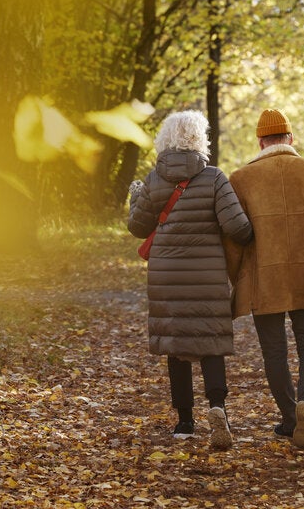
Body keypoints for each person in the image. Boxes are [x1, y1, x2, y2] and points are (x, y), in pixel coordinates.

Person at [226, 108, 304, 450]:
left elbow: (232, 238)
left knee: (274, 351)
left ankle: (289, 417)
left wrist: (238, 276)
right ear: (291, 139)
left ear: (260, 142)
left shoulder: (240, 179)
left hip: (263, 277)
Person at [127, 110, 254, 450]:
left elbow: (138, 227)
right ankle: (218, 407)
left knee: (177, 344)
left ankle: (184, 421)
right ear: (200, 138)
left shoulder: (154, 179)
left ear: (166, 139)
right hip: (206, 273)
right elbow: (238, 228)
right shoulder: (214, 178)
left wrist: (135, 198)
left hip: (166, 275)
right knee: (210, 340)